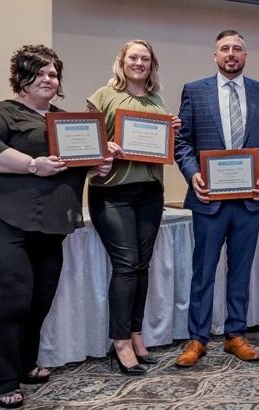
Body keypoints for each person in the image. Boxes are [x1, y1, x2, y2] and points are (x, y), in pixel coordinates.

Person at [0, 45, 111, 408]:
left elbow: (73, 163)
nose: (48, 79)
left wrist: (95, 166)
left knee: (41, 296)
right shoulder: (0, 112)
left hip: (47, 223)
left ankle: (27, 363)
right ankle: (5, 379)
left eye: (53, 74)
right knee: (11, 293)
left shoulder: (67, 122)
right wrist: (32, 164)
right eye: (39, 73)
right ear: (21, 79)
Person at [174, 29, 259, 366]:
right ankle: (197, 339)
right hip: (208, 200)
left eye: (237, 48)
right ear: (215, 55)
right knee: (203, 271)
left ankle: (235, 335)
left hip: (249, 199)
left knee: (240, 270)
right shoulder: (195, 91)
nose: (231, 54)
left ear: (245, 55)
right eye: (225, 48)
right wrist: (193, 175)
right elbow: (183, 143)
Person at [87, 39, 181, 375]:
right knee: (126, 265)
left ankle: (137, 335)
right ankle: (120, 342)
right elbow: (84, 142)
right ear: (122, 61)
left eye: (145, 58)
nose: (139, 62)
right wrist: (103, 145)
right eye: (133, 57)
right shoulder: (103, 96)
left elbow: (163, 146)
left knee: (142, 265)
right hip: (112, 192)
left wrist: (171, 132)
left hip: (150, 192)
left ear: (152, 64)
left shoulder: (158, 100)